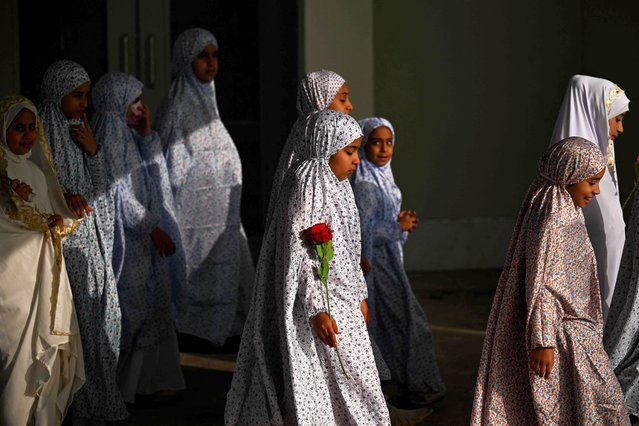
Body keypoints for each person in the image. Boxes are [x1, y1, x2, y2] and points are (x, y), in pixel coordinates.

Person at [225, 110, 391, 425]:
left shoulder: (339, 185)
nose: (357, 160)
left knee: (358, 379)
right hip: (322, 305)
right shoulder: (306, 186)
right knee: (340, 377)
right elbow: (298, 254)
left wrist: (359, 294)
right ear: (326, 147)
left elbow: (350, 247)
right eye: (350, 151)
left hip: (345, 302)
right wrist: (317, 308)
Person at [471, 137, 629, 424]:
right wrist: (543, 341)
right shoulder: (556, 219)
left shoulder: (557, 209)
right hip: (564, 334)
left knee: (584, 403)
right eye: (591, 182)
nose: (596, 191)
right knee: (601, 401)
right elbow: (543, 282)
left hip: (571, 330)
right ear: (568, 175)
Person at [38, 59, 127, 423]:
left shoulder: (81, 130)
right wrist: (64, 197)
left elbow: (104, 188)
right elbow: (40, 188)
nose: (84, 104)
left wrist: (93, 151)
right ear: (57, 93)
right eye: (76, 96)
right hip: (68, 247)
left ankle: (104, 400)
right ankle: (82, 407)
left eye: (86, 96)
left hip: (94, 243)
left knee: (105, 318)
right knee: (78, 329)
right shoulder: (40, 133)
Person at [154, 27, 254, 349]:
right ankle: (193, 330)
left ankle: (227, 328)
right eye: (202, 56)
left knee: (229, 269)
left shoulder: (210, 107)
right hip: (192, 217)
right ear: (186, 59)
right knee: (196, 272)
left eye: (214, 56)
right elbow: (168, 168)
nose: (210, 63)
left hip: (220, 215)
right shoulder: (176, 109)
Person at [91, 71, 185, 405]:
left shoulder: (127, 135)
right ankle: (121, 390)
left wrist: (147, 136)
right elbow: (119, 193)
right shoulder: (112, 138)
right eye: (136, 102)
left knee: (150, 307)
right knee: (132, 310)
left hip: (142, 243)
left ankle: (149, 383)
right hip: (129, 243)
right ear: (118, 104)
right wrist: (151, 227)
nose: (143, 109)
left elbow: (149, 172)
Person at [0, 95, 85, 425]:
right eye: (17, 128)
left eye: (31, 128)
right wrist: (16, 204)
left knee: (43, 363)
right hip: (14, 284)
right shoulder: (3, 176)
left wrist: (70, 211)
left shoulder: (37, 172)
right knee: (16, 358)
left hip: (45, 279)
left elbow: (56, 223)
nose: (26, 135)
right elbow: (11, 224)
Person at [351, 117, 445, 409]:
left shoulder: (384, 178)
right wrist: (397, 227)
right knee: (405, 322)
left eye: (388, 142)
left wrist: (401, 226)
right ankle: (409, 386)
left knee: (398, 323)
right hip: (376, 268)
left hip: (391, 263)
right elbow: (363, 230)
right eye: (375, 142)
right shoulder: (365, 183)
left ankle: (406, 385)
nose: (383, 149)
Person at [550, 74, 630, 320]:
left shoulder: (598, 172)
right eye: (616, 119)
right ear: (596, 112)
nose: (620, 129)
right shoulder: (573, 181)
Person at [265, 69, 352, 225]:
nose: (349, 106)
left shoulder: (331, 138)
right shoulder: (310, 138)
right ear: (321, 100)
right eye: (342, 100)